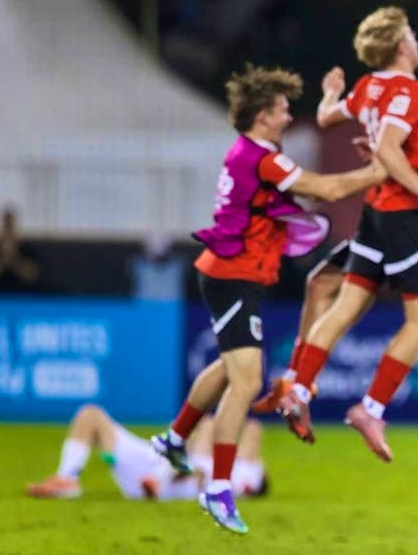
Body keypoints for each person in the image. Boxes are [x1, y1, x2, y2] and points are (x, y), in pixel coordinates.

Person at [148, 63, 386, 534]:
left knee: (227, 368)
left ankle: (174, 438)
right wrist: (383, 168)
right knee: (247, 380)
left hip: (233, 275)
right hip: (232, 277)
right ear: (261, 115)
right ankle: (217, 489)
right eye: (280, 108)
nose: (287, 114)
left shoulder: (252, 152)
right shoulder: (262, 157)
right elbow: (328, 189)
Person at [273, 6, 418, 461]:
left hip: (373, 213)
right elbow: (389, 148)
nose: (416, 40)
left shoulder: (369, 86)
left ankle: (300, 390)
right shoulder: (407, 89)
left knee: (345, 306)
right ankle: (371, 407)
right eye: (409, 34)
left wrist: (330, 93)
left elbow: (330, 116)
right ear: (399, 46)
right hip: (403, 214)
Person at [28, 404, 267, 501]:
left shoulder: (244, 473)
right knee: (89, 416)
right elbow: (253, 429)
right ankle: (67, 478)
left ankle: (68, 479)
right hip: (153, 464)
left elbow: (253, 430)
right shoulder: (235, 467)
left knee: (203, 426)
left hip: (158, 477)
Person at [0, 206, 40, 293]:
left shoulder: (27, 248)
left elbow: (31, 276)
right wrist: (2, 256)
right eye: (5, 226)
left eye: (11, 227)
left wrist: (14, 257)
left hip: (21, 296)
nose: (8, 231)